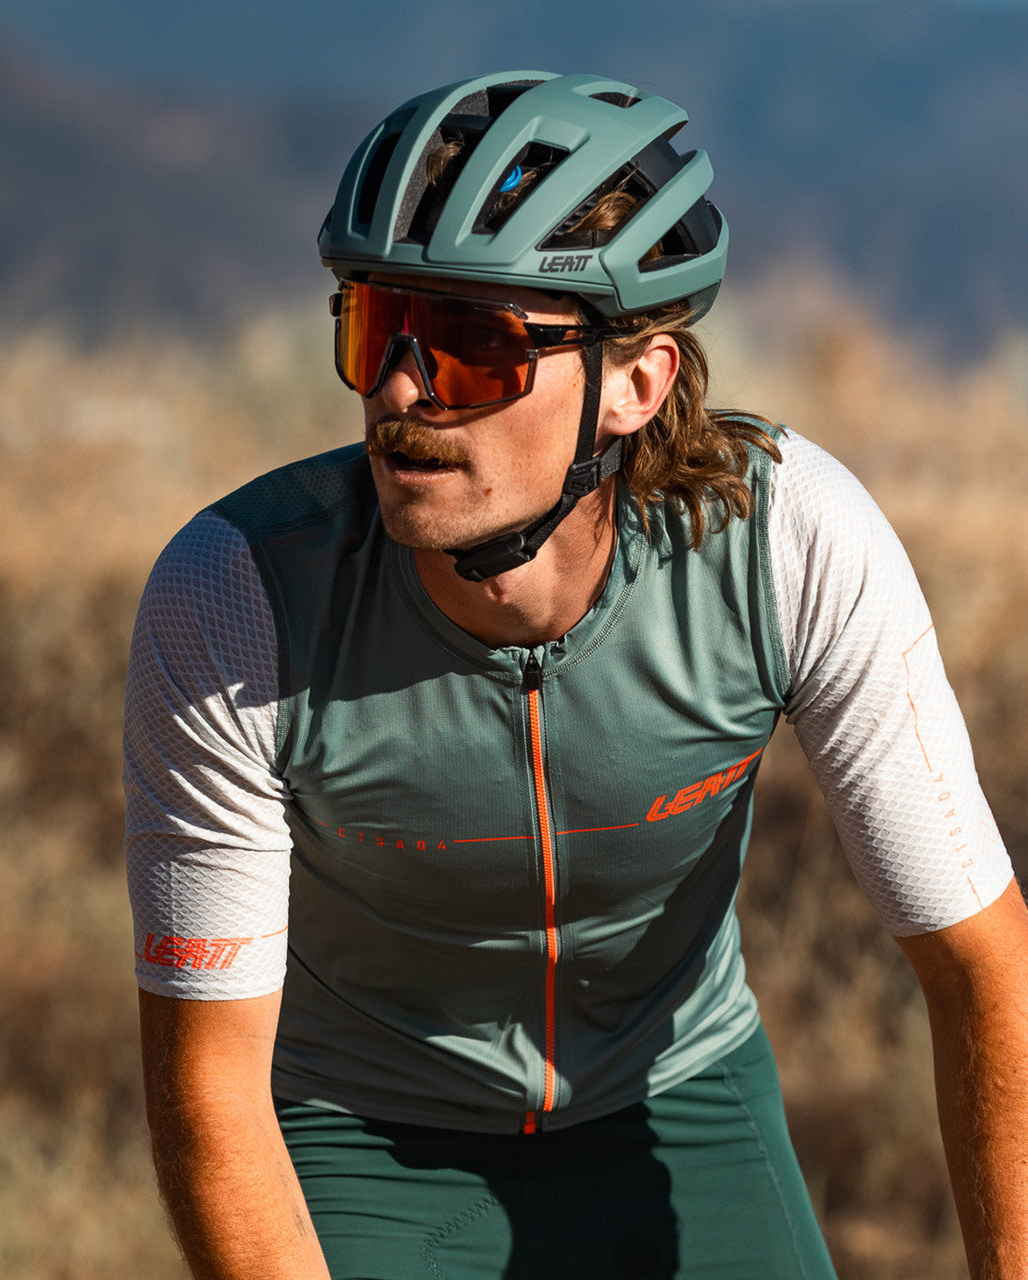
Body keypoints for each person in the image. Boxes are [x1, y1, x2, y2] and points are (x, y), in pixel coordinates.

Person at [124, 71, 1028, 1279]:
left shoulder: (785, 542)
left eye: (474, 346)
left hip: (677, 1095)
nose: (398, 387)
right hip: (365, 1135)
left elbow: (980, 966)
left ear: (635, 383)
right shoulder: (238, 598)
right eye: (376, 325)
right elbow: (210, 1089)